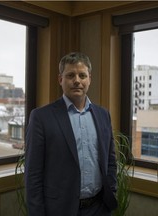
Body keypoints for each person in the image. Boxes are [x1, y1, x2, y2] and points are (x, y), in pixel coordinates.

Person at [25, 52, 118, 216]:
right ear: (60, 79)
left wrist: (112, 191)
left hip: (99, 208)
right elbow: (33, 174)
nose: (77, 80)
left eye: (82, 75)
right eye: (70, 75)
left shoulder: (103, 115)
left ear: (90, 79)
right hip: (60, 210)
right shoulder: (41, 117)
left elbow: (110, 161)